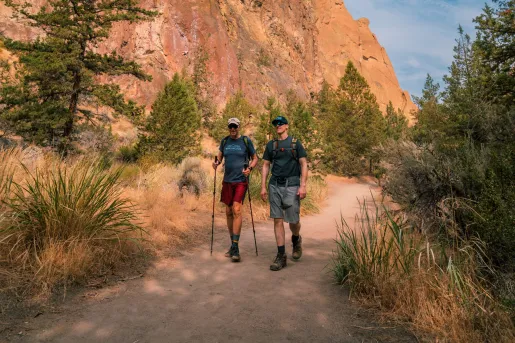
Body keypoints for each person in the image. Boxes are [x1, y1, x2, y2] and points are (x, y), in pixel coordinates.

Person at [260, 116, 308, 271]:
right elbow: (266, 165)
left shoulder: (295, 143)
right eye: (276, 124)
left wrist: (303, 186)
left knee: (293, 221)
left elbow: (303, 163)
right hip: (275, 185)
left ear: (287, 126)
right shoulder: (271, 145)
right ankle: (281, 255)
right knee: (277, 220)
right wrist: (263, 187)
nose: (278, 125)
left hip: (292, 185)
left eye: (281, 123)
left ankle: (296, 239)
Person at [213, 117, 258, 262]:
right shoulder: (225, 141)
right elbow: (219, 158)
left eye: (235, 127)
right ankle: (232, 244)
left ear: (239, 127)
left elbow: (255, 158)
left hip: (240, 180)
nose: (233, 129)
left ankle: (236, 247)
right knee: (228, 211)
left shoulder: (245, 141)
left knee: (237, 209)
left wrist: (250, 168)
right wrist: (216, 163)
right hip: (227, 180)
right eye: (230, 127)